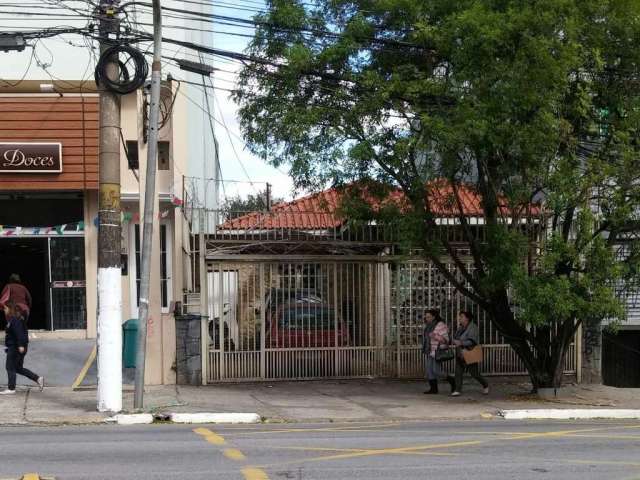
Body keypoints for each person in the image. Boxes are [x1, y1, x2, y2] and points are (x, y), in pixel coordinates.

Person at [0, 301, 44, 395]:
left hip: (16, 347)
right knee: (18, 368)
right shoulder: (15, 319)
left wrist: (20, 345)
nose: (4, 310)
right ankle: (37, 378)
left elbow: (19, 333)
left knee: (10, 367)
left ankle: (11, 388)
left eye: (5, 308)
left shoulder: (15, 320)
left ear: (10, 309)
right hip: (15, 346)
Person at [447, 311, 489, 397]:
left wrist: (461, 343)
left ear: (467, 318)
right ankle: (457, 390)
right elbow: (455, 339)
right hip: (460, 353)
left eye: (461, 316)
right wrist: (449, 335)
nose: (459, 318)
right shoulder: (460, 328)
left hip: (469, 352)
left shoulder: (473, 327)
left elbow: (472, 341)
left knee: (474, 373)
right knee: (458, 372)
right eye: (460, 316)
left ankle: (485, 385)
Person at [421, 309, 450, 394]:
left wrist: (435, 336)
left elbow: (446, 340)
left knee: (436, 371)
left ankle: (452, 380)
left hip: (437, 351)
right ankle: (433, 389)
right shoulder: (428, 325)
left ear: (434, 316)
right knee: (429, 370)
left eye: (428, 317)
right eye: (426, 317)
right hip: (430, 350)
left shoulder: (440, 325)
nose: (426, 318)